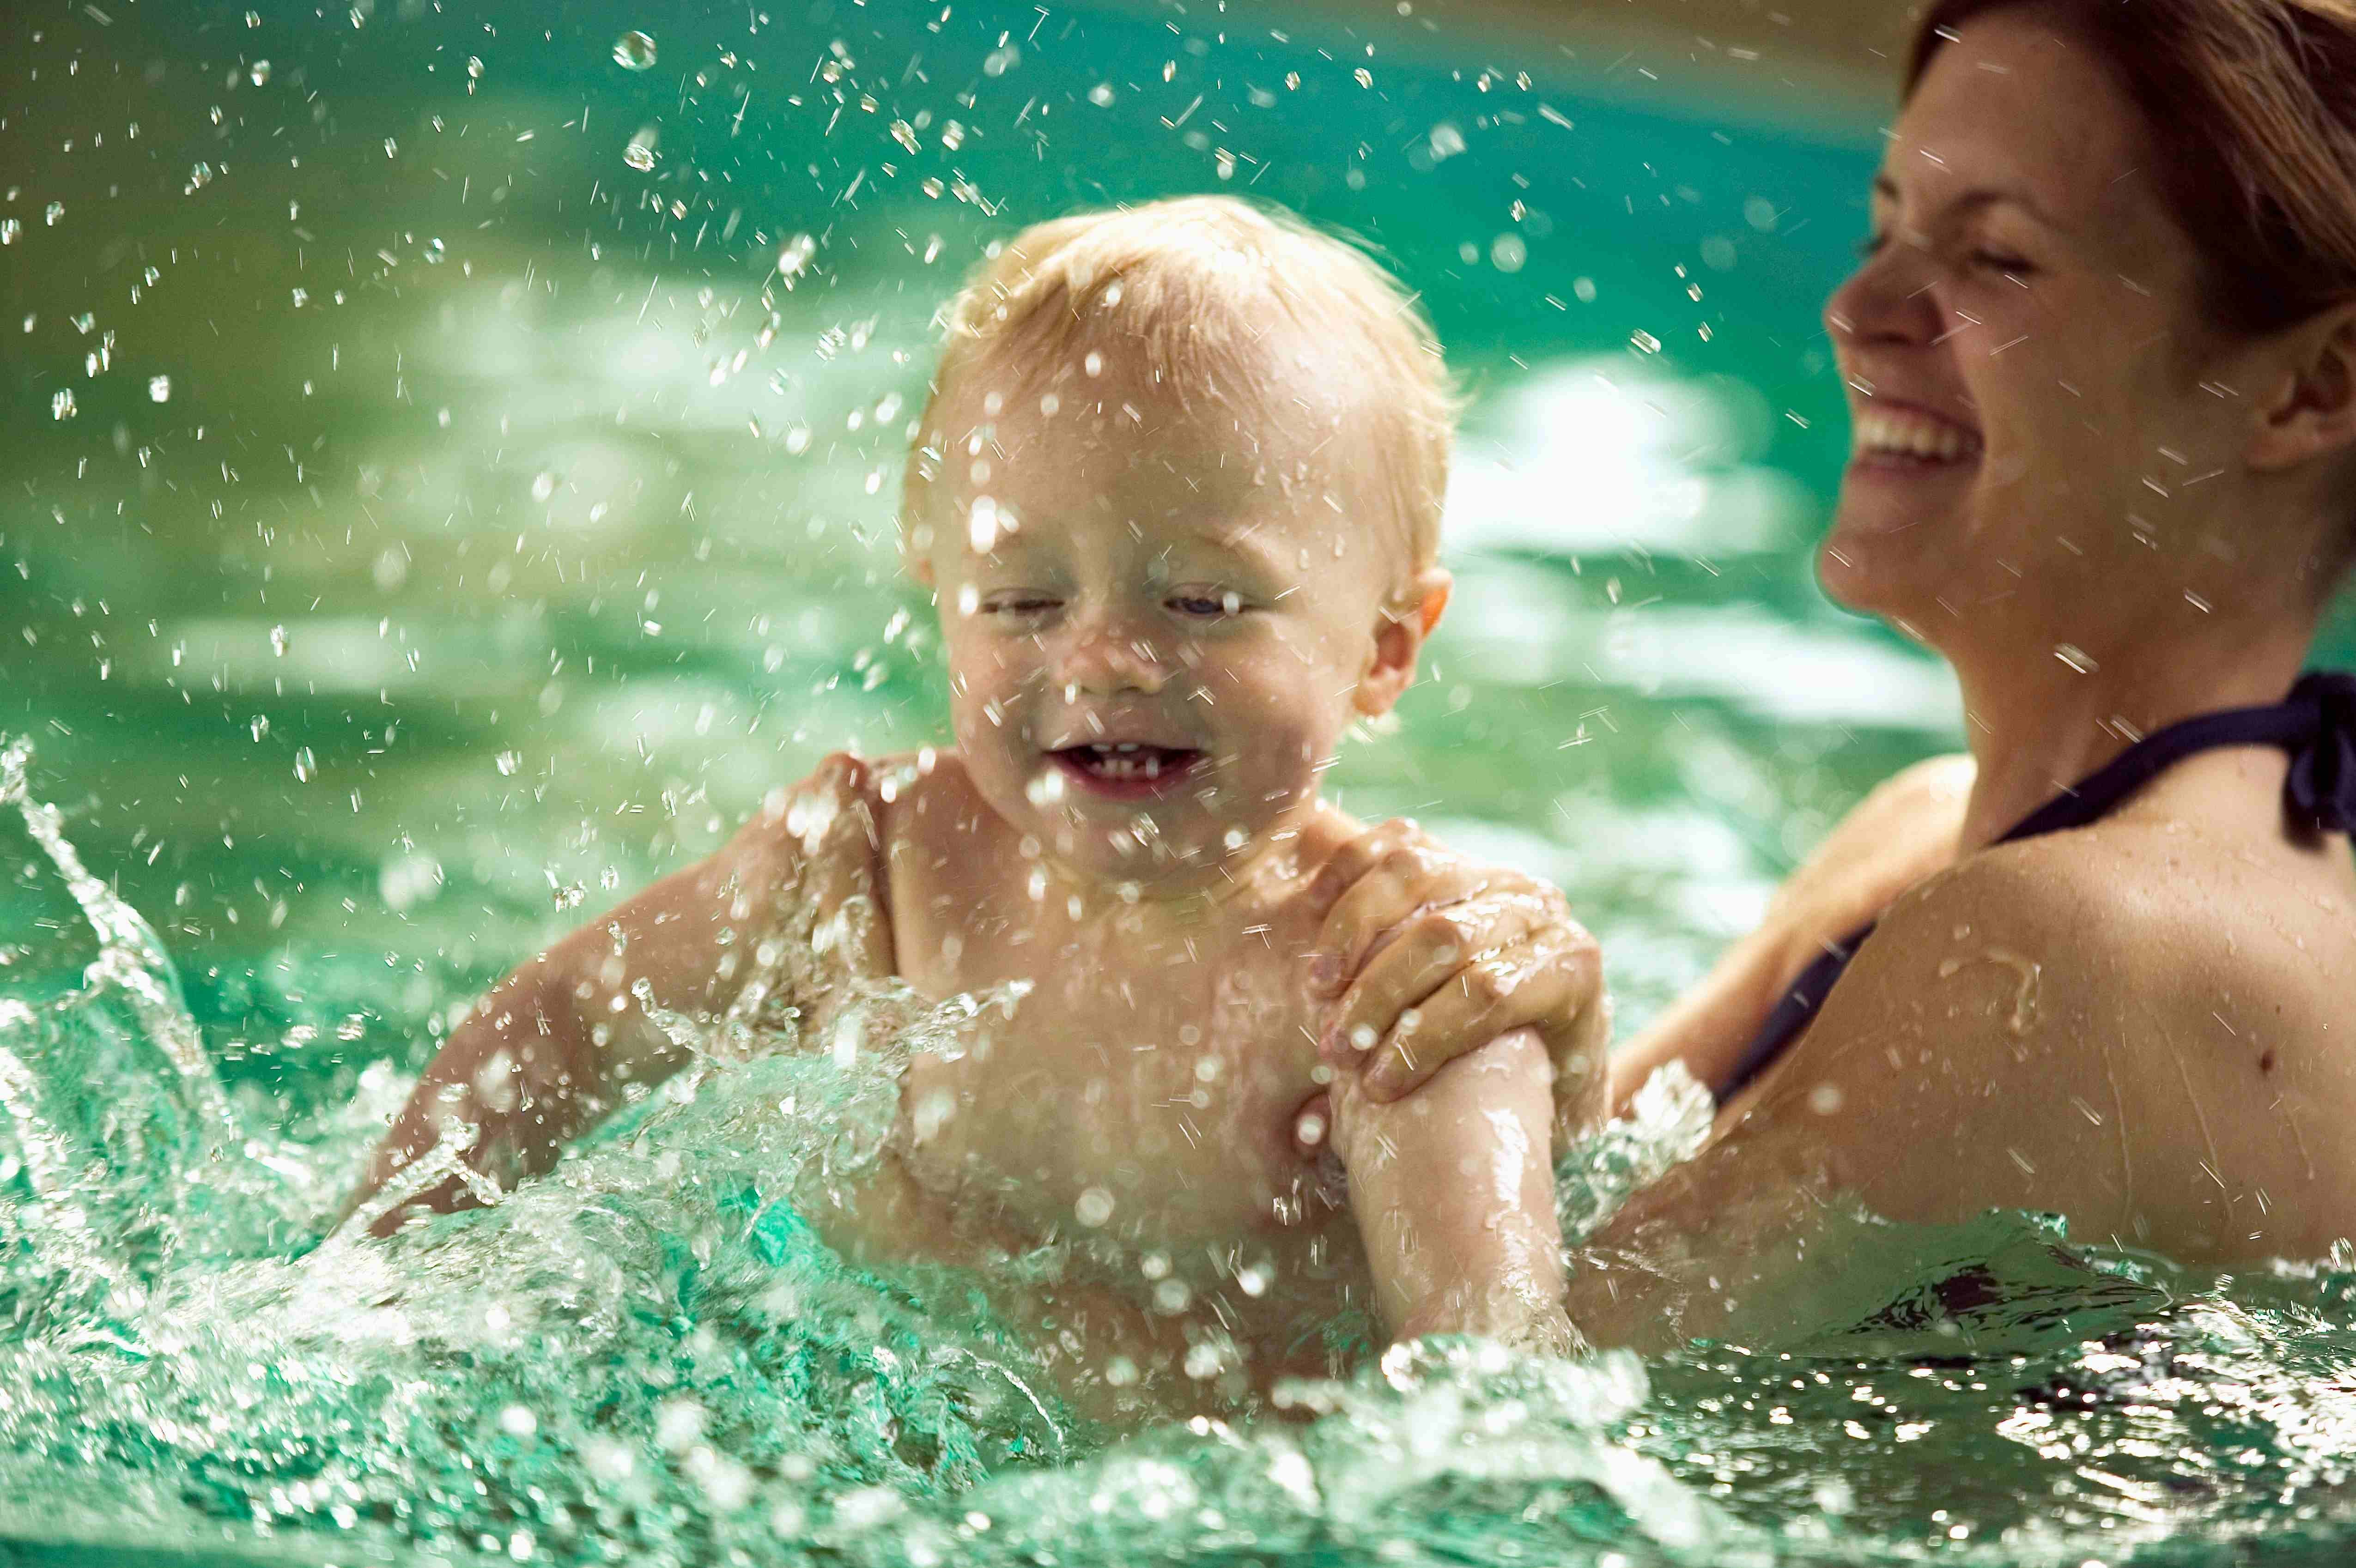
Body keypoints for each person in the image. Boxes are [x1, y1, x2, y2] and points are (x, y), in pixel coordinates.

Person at [341, 196, 1613, 1417]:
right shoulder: (861, 871)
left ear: (1386, 647)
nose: (1104, 657)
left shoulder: (1401, 986)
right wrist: (370, 1281)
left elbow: (1488, 1388)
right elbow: (559, 1024)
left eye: (1203, 602)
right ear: (938, 592)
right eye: (1023, 602)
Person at [1330, 0, 2356, 1350]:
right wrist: (1551, 1052)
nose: (1856, 310)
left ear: (2310, 386)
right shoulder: (1932, 833)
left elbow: (1484, 1406)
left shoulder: (2068, 946)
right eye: (1883, 233)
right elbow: (1560, 1245)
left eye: (1995, 259)